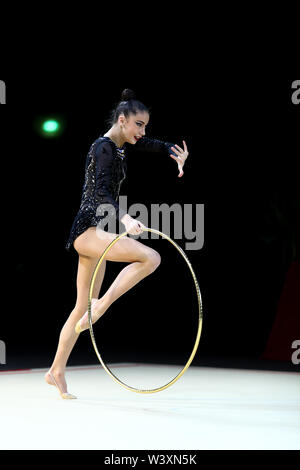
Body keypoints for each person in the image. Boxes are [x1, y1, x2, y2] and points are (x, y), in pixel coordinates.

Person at [45, 89, 189, 398]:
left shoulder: (120, 144)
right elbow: (100, 195)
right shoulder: (104, 147)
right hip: (87, 229)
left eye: (146, 126)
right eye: (139, 125)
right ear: (122, 121)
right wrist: (124, 220)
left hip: (92, 232)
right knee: (150, 258)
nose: (143, 131)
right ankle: (101, 307)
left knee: (78, 308)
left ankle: (56, 370)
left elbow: (150, 144)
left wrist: (173, 152)